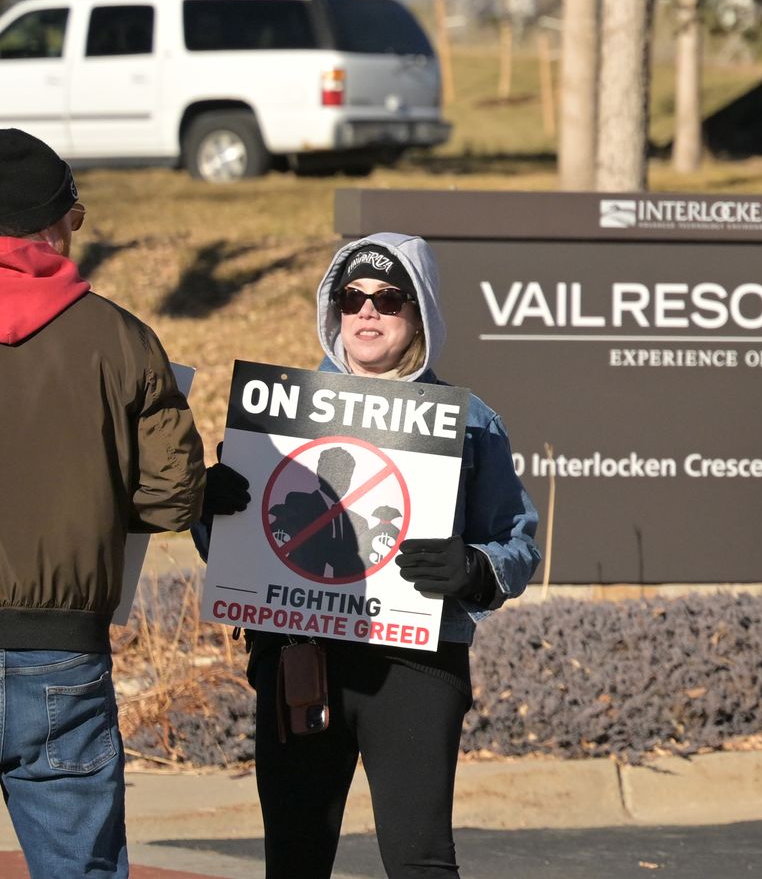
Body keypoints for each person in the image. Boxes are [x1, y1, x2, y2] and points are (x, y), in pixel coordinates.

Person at [197, 233, 541, 878]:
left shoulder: (472, 421)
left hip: (416, 668)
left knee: (421, 863)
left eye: (389, 298)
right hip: (302, 659)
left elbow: (518, 543)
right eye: (353, 297)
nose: (368, 312)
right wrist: (208, 510)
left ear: (421, 314)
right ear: (334, 309)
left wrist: (476, 569)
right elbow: (235, 555)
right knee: (294, 861)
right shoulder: (276, 415)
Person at [0, 128, 206, 877]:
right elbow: (176, 493)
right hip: (60, 653)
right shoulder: (121, 340)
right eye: (74, 219)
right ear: (54, 224)